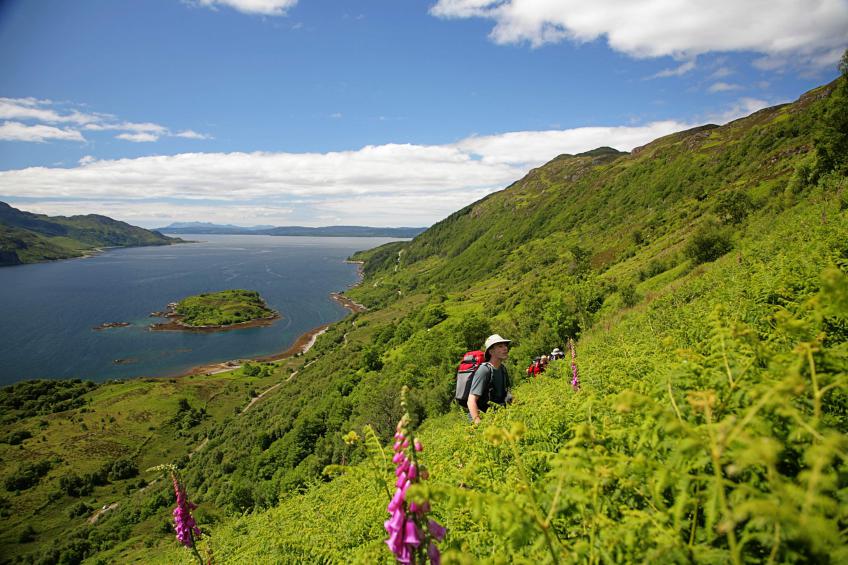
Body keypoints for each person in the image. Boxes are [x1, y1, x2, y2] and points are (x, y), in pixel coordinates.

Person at [467, 334, 512, 424]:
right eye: (500, 346)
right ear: (491, 352)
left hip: (496, 418)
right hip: (483, 419)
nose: (505, 348)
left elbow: (506, 393)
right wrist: (478, 422)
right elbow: (471, 400)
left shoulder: (503, 369)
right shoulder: (484, 370)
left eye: (505, 345)